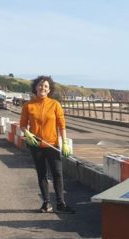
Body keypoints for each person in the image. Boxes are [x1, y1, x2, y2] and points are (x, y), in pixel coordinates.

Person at [20, 75, 75, 214]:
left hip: (53, 145)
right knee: (42, 174)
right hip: (36, 146)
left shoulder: (55, 104)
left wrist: (65, 143)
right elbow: (22, 125)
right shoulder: (28, 105)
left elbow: (62, 125)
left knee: (57, 174)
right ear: (35, 87)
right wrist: (27, 134)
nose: (42, 88)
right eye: (40, 85)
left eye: (45, 86)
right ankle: (46, 203)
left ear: (49, 89)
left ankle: (60, 203)